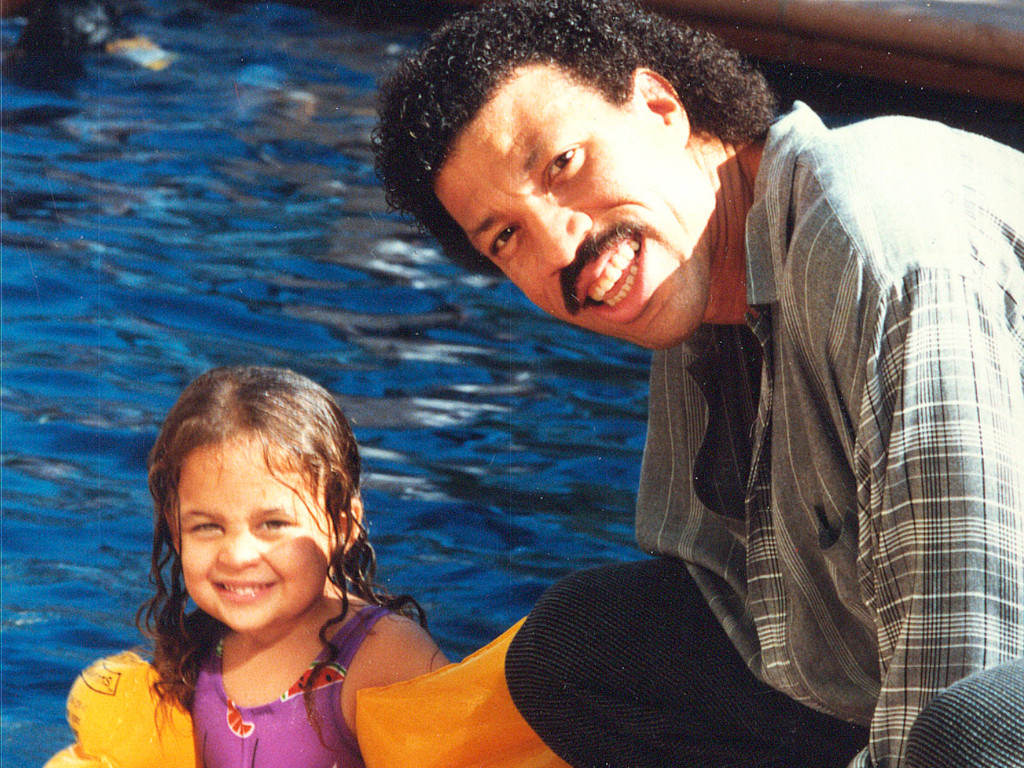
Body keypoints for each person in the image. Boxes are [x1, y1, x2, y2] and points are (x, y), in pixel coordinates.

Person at [372, 0, 1024, 766]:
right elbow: (735, 597)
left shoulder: (878, 244)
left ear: (661, 108)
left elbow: (970, 658)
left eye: (563, 165)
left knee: (969, 729)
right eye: (507, 235)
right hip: (921, 674)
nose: (560, 246)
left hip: (986, 676)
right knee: (583, 650)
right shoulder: (707, 278)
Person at [137, 365, 446, 768]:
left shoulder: (383, 656)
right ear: (176, 534)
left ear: (342, 527)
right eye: (207, 527)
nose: (237, 555)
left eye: (273, 524)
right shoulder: (193, 652)